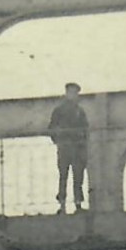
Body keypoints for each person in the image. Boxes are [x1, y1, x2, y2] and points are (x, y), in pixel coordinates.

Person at [48, 82, 89, 212]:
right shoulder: (59, 110)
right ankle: (62, 205)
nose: (73, 95)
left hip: (77, 148)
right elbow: (52, 128)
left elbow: (85, 129)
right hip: (65, 147)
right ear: (66, 93)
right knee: (64, 176)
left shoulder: (79, 111)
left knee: (78, 176)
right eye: (71, 92)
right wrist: (59, 140)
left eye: (75, 93)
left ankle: (77, 204)